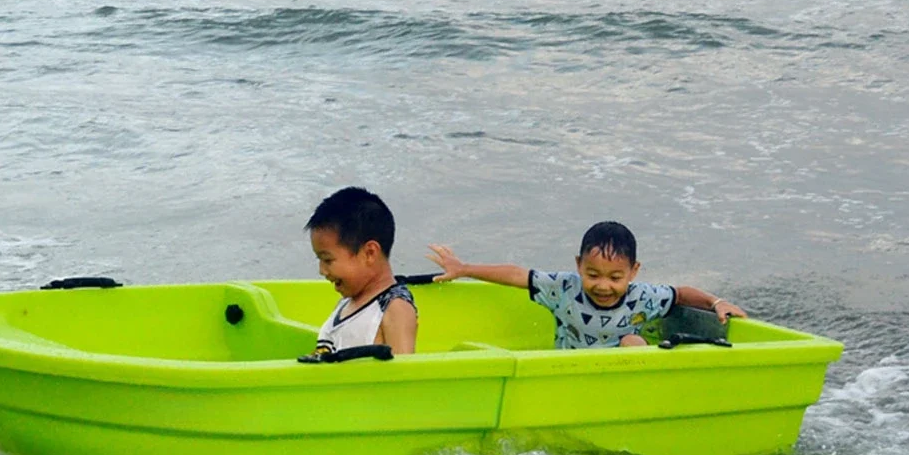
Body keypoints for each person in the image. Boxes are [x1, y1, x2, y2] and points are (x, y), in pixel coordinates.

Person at [427, 221, 746, 350]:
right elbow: (516, 275)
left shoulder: (641, 297)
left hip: (617, 377)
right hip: (568, 373)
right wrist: (464, 268)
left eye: (615, 277)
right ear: (578, 264)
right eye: (593, 274)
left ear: (633, 272)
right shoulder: (564, 288)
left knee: (633, 342)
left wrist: (716, 303)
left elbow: (681, 294)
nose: (603, 285)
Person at [306, 187, 418, 355]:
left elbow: (405, 376)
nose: (322, 271)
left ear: (369, 253)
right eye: (319, 260)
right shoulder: (345, 303)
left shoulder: (395, 308)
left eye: (328, 260)